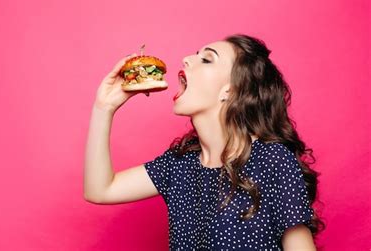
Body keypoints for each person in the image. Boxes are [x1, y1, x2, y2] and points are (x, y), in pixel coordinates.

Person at [83, 34, 325, 250]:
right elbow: (100, 190)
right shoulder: (179, 165)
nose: (187, 59)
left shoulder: (271, 159)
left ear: (230, 91)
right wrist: (104, 108)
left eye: (207, 59)